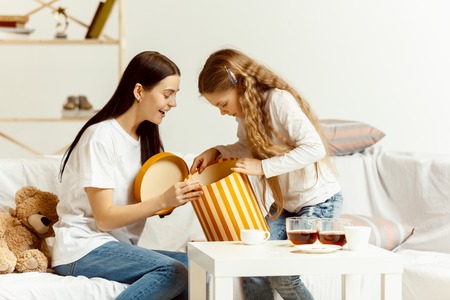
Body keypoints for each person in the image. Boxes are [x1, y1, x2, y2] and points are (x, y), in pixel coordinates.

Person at [190, 48, 343, 300]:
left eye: (223, 104)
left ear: (240, 86)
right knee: (251, 265)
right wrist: (216, 151)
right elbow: (246, 147)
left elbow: (314, 148)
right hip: (287, 205)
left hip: (319, 202)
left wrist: (263, 168)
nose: (223, 112)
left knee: (283, 277)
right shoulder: (246, 114)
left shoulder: (278, 100)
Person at [52, 51, 203, 300]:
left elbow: (144, 203)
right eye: (167, 94)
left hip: (116, 247)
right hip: (82, 249)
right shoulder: (100, 136)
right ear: (139, 91)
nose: (173, 103)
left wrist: (173, 199)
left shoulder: (145, 140)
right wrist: (163, 200)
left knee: (198, 267)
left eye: (175, 95)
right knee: (173, 271)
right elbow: (104, 219)